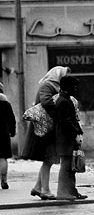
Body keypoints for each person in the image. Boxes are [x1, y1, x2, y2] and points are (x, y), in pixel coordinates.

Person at [22, 66, 70, 200]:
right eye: (64, 75)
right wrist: (60, 112)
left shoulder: (54, 86)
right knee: (48, 159)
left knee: (48, 159)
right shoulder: (47, 85)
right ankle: (45, 190)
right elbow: (46, 102)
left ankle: (38, 187)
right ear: (58, 75)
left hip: (48, 128)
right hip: (44, 128)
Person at [54, 75, 86, 201]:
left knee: (71, 166)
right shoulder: (63, 101)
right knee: (66, 166)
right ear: (68, 87)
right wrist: (76, 133)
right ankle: (63, 192)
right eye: (74, 86)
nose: (76, 89)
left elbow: (70, 120)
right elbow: (66, 122)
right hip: (65, 139)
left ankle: (71, 190)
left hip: (67, 138)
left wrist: (78, 132)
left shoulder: (65, 100)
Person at [0, 82, 16, 190]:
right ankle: (4, 180)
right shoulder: (5, 104)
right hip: (3, 133)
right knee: (2, 157)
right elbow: (12, 119)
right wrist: (12, 131)